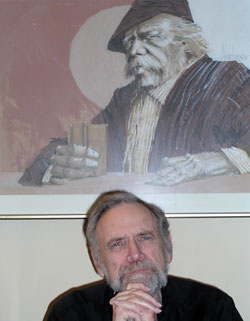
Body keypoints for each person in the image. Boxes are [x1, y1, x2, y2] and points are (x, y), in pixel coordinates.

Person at [19, 0, 250, 186]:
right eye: (130, 42)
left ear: (186, 43)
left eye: (151, 36)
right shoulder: (125, 99)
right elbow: (77, 146)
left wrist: (222, 161)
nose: (134, 50)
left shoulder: (229, 79)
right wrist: (58, 162)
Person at [45, 190, 243, 321]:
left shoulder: (212, 309)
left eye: (145, 237)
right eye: (117, 244)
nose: (135, 254)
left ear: (168, 247)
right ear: (97, 262)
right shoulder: (69, 314)